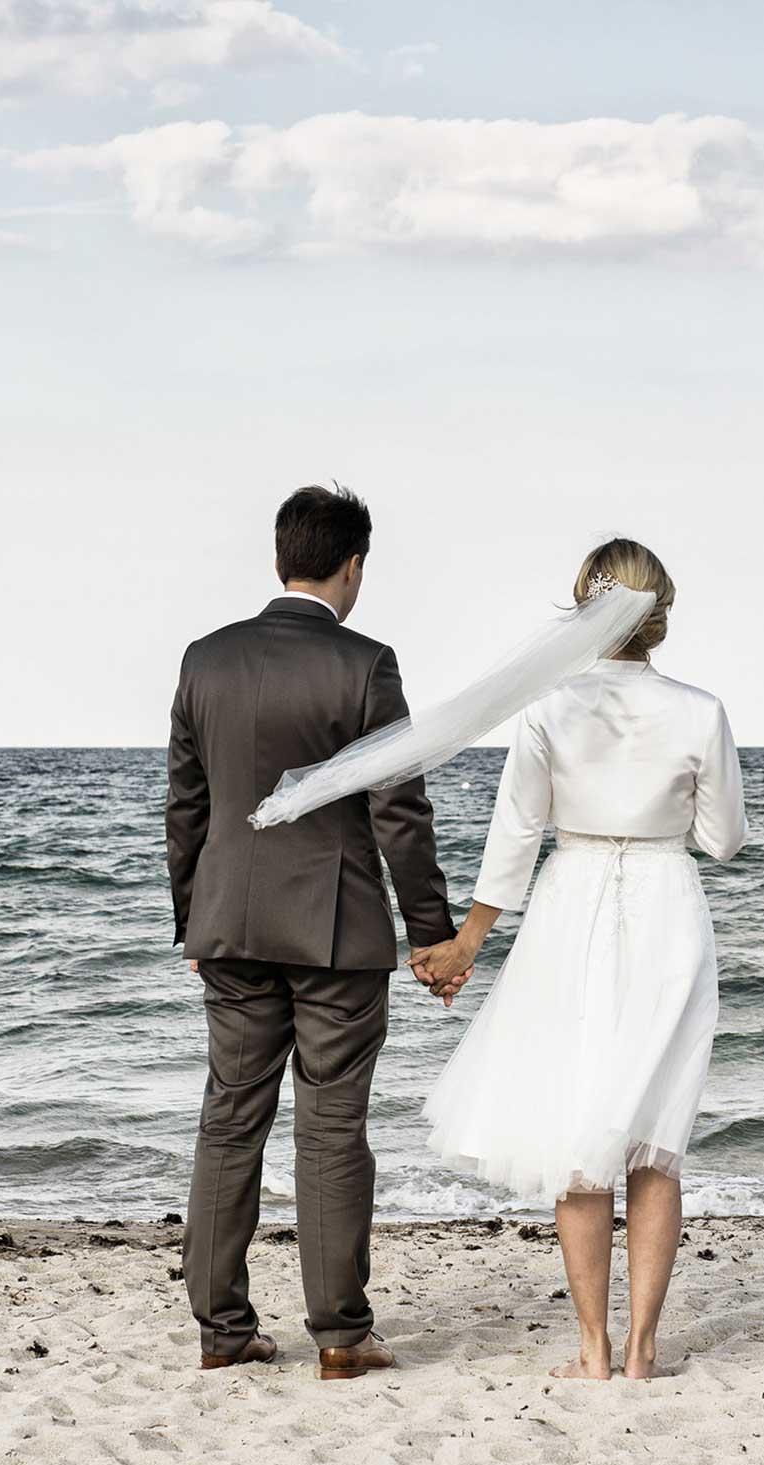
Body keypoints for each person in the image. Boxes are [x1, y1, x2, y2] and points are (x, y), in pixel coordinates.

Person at [411, 537, 747, 1381]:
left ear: (584, 609)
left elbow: (515, 841)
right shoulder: (701, 710)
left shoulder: (550, 710)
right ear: (661, 617)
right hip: (668, 907)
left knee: (582, 1130)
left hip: (572, 905)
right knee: (655, 1141)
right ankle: (643, 1353)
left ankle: (592, 1350)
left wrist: (467, 944)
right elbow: (724, 841)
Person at [164, 485, 457, 1380]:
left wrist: (196, 914)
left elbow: (188, 802)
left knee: (229, 1122)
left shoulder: (203, 660)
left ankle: (222, 1332)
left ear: (280, 557)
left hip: (229, 928)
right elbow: (398, 811)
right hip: (335, 934)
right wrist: (432, 933)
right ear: (354, 564)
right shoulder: (366, 665)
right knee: (332, 1130)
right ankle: (340, 1335)